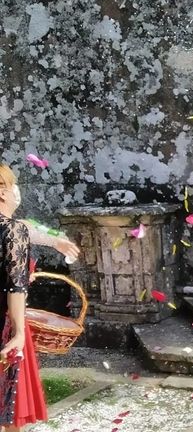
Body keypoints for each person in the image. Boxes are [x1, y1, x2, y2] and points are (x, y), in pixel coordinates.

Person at [0, 164, 47, 431]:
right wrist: (18, 333)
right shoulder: (14, 230)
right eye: (13, 184)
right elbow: (14, 287)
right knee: (7, 411)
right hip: (6, 323)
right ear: (4, 193)